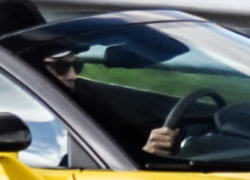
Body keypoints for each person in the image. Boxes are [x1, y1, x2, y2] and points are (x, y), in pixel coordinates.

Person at [42, 48, 182, 158]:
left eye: (77, 66)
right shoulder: (37, 121)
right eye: (61, 67)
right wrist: (147, 153)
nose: (73, 76)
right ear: (39, 69)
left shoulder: (81, 106)